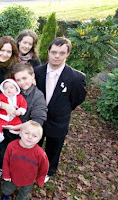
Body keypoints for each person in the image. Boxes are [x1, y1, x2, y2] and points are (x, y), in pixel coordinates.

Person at [34, 37, 87, 183]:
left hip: (58, 122)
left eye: (61, 53)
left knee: (54, 148)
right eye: (54, 52)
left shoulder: (76, 78)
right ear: (49, 52)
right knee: (34, 144)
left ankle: (49, 170)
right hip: (38, 119)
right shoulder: (37, 72)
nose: (57, 56)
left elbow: (78, 98)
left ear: (67, 54)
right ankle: (33, 165)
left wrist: (63, 109)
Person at [0, 120, 49, 200]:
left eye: (34, 136)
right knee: (7, 188)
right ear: (20, 133)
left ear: (39, 139)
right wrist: (6, 174)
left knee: (24, 194)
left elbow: (44, 167)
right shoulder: (12, 146)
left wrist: (40, 178)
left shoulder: (40, 153)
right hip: (12, 176)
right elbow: (6, 160)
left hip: (28, 179)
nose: (30, 137)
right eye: (27, 133)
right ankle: (5, 196)